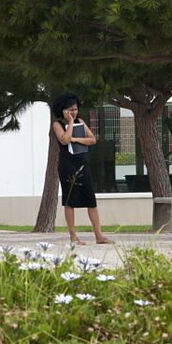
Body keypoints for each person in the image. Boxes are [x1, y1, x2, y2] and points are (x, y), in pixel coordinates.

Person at [51, 93, 113, 245]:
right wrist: (70, 123)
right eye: (70, 110)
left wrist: (77, 139)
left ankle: (99, 235)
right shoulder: (57, 124)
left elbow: (92, 139)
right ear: (63, 110)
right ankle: (73, 236)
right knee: (70, 200)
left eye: (75, 109)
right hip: (67, 165)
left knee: (91, 199)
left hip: (82, 162)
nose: (74, 113)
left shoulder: (81, 121)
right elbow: (64, 140)